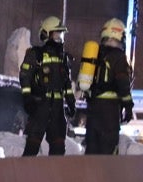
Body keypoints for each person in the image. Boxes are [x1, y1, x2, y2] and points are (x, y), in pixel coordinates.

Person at [19, 16, 73, 156]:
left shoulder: (64, 58)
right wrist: (27, 97)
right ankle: (24, 175)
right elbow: (25, 76)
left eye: (61, 34)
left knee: (58, 147)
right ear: (46, 34)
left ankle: (55, 177)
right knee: (32, 146)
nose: (59, 37)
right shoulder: (35, 54)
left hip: (57, 107)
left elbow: (66, 82)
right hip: (40, 105)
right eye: (56, 33)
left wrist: (71, 100)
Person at [82, 17, 134, 155]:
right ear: (119, 36)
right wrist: (128, 107)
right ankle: (104, 177)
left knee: (91, 151)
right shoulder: (119, 57)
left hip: (93, 109)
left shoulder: (94, 55)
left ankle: (87, 177)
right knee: (108, 153)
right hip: (109, 112)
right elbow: (123, 84)